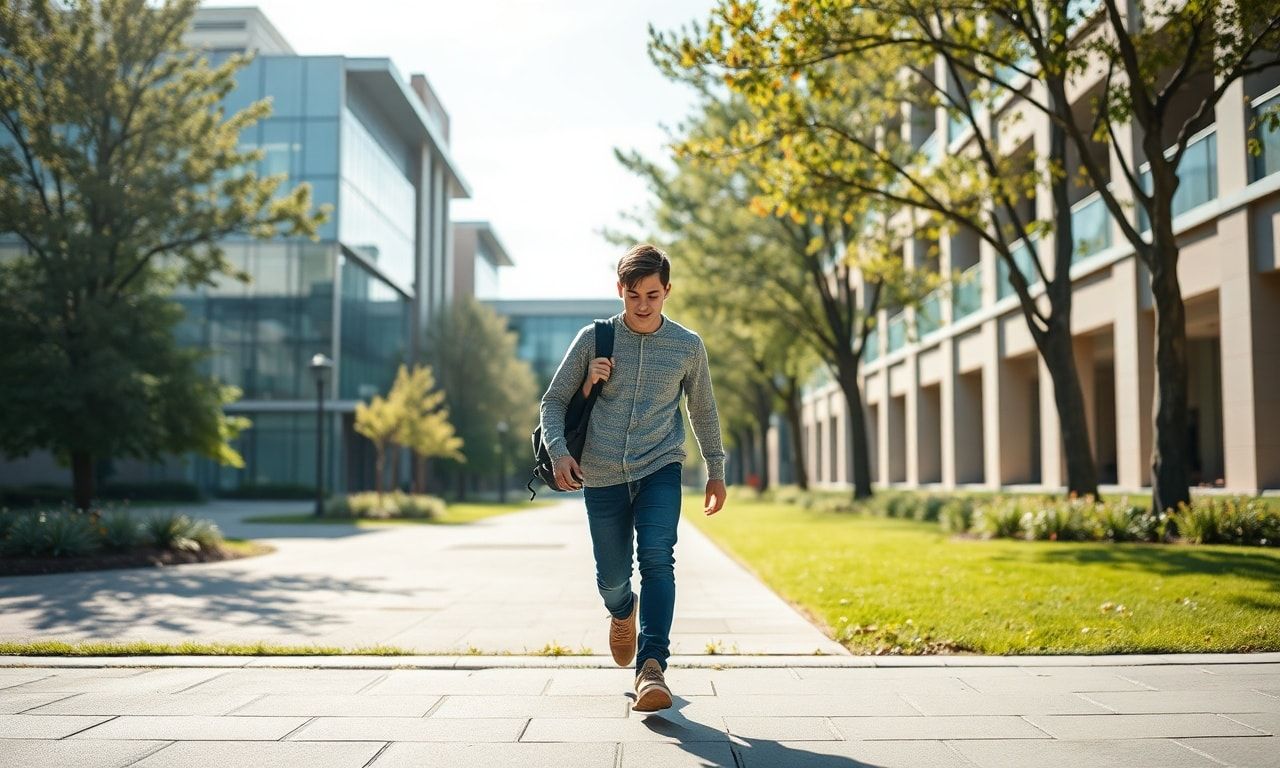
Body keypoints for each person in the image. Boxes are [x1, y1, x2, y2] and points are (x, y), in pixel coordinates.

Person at [539, 243, 727, 712]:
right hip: (601, 473)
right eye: (633, 296)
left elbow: (702, 411)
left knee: (659, 558)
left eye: (652, 295)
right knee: (611, 578)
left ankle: (652, 667)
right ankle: (622, 611)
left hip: (661, 465)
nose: (642, 306)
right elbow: (552, 402)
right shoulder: (595, 338)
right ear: (619, 290)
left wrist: (716, 470)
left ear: (667, 291)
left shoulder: (687, 345)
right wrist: (560, 454)